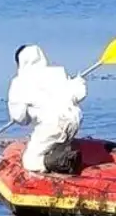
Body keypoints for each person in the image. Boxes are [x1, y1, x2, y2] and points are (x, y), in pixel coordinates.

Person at [7, 44, 88, 174]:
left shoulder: (19, 82)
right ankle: (61, 151)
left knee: (30, 161)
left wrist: (27, 115)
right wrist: (78, 81)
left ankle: (62, 160)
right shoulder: (58, 72)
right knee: (54, 141)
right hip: (74, 120)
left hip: (52, 125)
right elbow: (80, 94)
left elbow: (20, 117)